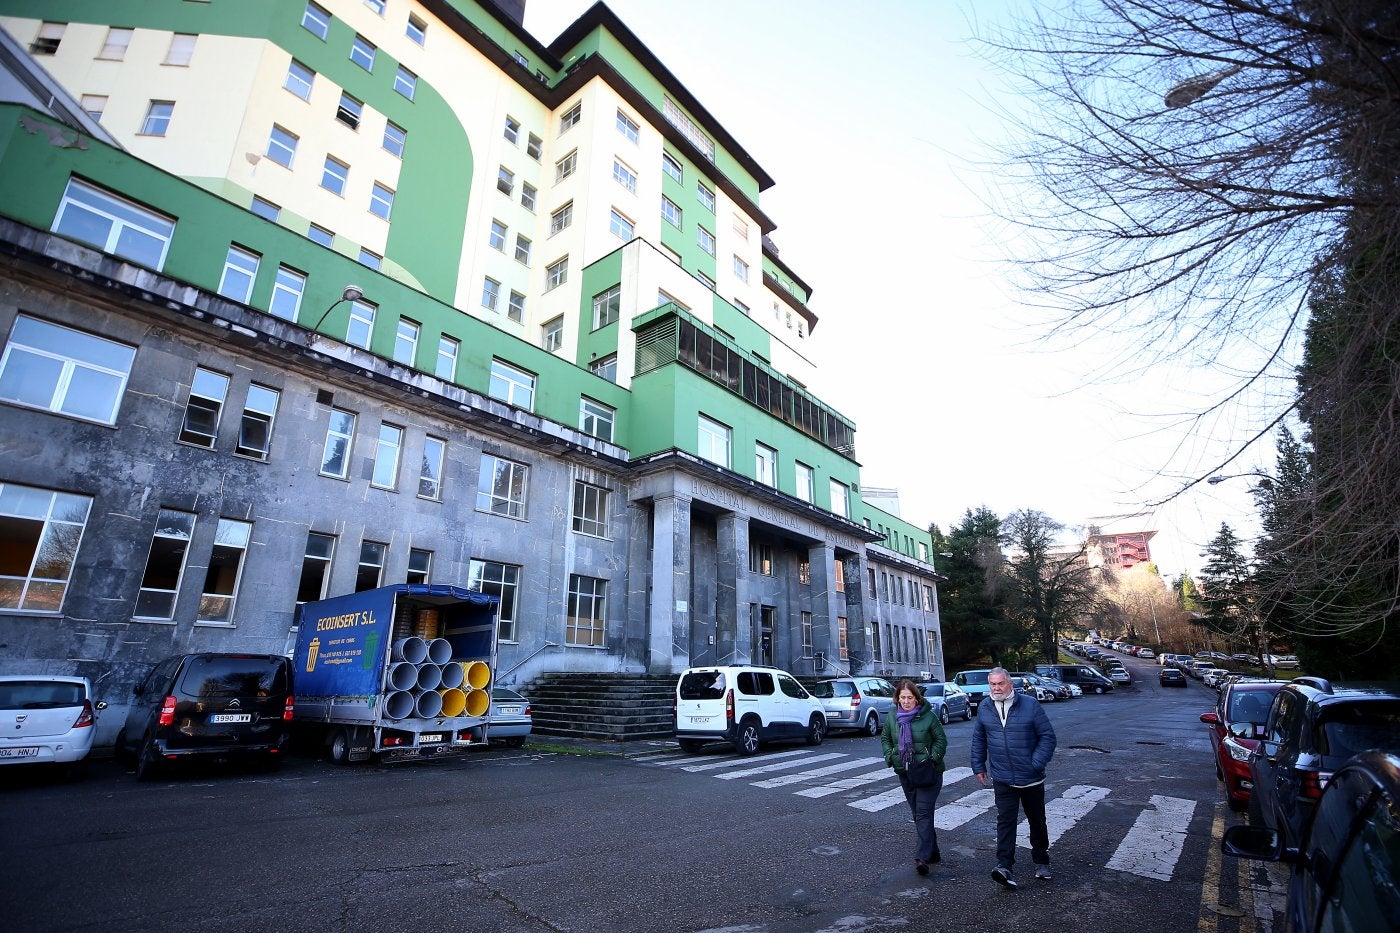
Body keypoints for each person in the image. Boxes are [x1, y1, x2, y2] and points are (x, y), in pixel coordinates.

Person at [970, 666, 1057, 889]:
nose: (996, 688)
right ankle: (1004, 865)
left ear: (1010, 684)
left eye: (1000, 684)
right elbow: (979, 737)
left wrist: (1035, 764)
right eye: (992, 684)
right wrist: (978, 765)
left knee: (1036, 820)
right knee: (1005, 822)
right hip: (1003, 777)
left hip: (1031, 778)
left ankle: (1041, 860)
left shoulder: (1030, 705)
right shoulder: (985, 707)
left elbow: (1047, 737)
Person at [880, 679, 948, 875]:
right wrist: (891, 756)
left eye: (910, 698)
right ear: (897, 698)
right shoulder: (893, 715)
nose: (906, 702)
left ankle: (922, 857)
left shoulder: (928, 716)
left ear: (917, 698)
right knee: (918, 814)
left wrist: (931, 759)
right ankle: (933, 852)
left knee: (924, 813)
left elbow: (941, 740)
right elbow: (885, 738)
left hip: (928, 772)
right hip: (905, 772)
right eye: (903, 698)